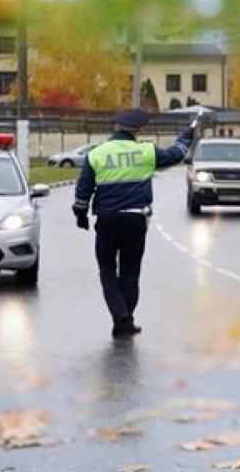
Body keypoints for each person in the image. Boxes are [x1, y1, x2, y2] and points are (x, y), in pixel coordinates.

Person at [73, 109, 197, 337]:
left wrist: (80, 214)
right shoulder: (146, 151)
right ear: (137, 130)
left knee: (107, 270)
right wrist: (187, 135)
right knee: (130, 272)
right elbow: (176, 154)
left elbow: (84, 190)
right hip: (135, 219)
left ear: (116, 127)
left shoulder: (97, 154)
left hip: (107, 220)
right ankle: (126, 318)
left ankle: (120, 316)